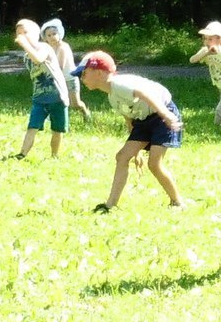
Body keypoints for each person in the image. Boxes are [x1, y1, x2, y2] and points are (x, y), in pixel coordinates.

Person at [80, 52, 187, 211]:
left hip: (161, 115)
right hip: (142, 120)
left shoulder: (120, 84)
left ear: (99, 73)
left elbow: (144, 93)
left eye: (84, 73)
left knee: (154, 164)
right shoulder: (112, 96)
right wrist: (136, 152)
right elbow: (129, 119)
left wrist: (166, 115)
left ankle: (177, 202)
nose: (82, 78)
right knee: (122, 157)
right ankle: (110, 205)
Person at [13, 19, 82, 159]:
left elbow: (38, 59)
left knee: (57, 129)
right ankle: (22, 154)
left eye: (25, 33)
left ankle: (54, 155)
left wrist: (25, 44)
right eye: (19, 33)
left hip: (58, 95)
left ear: (36, 34)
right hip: (39, 98)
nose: (22, 36)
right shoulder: (26, 56)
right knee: (32, 126)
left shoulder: (44, 48)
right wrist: (26, 47)